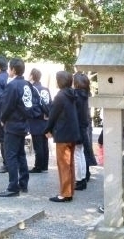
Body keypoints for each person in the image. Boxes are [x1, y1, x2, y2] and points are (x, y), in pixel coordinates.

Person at [0, 57, 30, 197]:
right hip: (23, 124)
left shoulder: (12, 85)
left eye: (9, 68)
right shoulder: (26, 84)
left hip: (13, 124)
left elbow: (7, 105)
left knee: (11, 155)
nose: (8, 70)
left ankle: (13, 187)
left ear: (13, 70)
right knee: (21, 154)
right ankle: (23, 183)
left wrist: (3, 119)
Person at [44, 71, 80, 202]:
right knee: (70, 164)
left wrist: (47, 129)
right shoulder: (73, 94)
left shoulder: (60, 96)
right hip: (73, 133)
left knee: (63, 164)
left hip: (63, 133)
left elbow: (52, 115)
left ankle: (65, 193)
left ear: (59, 81)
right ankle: (70, 191)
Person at [28, 68, 52, 173]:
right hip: (46, 119)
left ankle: (38, 166)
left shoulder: (32, 89)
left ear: (32, 76)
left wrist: (36, 115)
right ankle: (44, 166)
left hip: (36, 120)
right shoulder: (45, 89)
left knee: (38, 145)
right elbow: (50, 104)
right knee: (44, 143)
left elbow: (33, 106)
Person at [73, 72, 90, 190]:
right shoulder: (86, 95)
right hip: (84, 127)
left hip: (77, 127)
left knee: (77, 154)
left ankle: (79, 180)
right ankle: (82, 177)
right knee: (81, 153)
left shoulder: (76, 96)